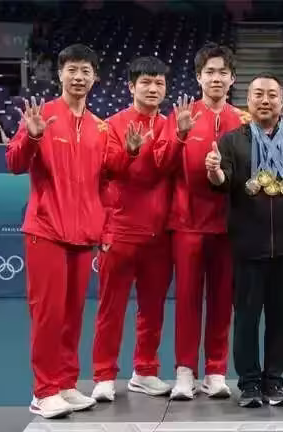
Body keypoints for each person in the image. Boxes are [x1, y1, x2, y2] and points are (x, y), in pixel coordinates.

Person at [6, 44, 106, 418]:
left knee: (72, 314)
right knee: (48, 314)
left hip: (82, 235)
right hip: (46, 229)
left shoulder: (99, 127)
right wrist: (31, 137)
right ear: (60, 73)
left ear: (95, 78)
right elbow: (14, 163)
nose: (78, 77)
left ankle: (65, 383)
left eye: (85, 71)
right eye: (72, 70)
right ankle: (43, 391)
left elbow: (105, 183)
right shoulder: (42, 115)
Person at [205, 73, 283, 408]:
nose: (265, 100)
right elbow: (223, 182)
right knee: (247, 317)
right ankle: (249, 383)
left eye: (272, 95)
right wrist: (214, 171)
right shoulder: (232, 141)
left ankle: (273, 381)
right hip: (248, 244)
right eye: (258, 94)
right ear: (247, 101)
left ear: (282, 101)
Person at [154, 43, 248, 400]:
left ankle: (216, 371)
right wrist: (179, 134)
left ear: (232, 78)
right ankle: (184, 371)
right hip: (187, 223)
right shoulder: (181, 115)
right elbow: (162, 165)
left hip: (228, 226)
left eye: (223, 72)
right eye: (210, 72)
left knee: (222, 300)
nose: (216, 78)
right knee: (188, 300)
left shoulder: (244, 121)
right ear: (198, 77)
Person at [91, 56, 173, 402]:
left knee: (152, 308)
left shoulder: (172, 125)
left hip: (160, 235)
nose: (153, 89)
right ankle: (103, 375)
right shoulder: (112, 125)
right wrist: (129, 151)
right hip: (121, 232)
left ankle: (145, 371)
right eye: (146, 82)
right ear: (131, 87)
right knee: (111, 308)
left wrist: (182, 136)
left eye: (159, 83)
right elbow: (107, 171)